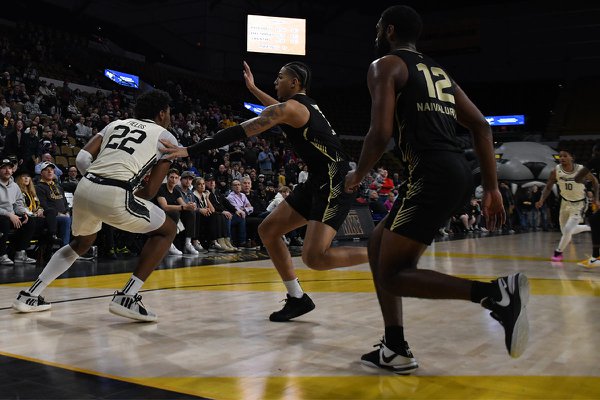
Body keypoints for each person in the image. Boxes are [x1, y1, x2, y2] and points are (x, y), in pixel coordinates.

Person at [342, 5, 529, 374]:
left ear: (390, 30)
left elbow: (379, 134)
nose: (377, 33)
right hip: (454, 169)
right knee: (378, 244)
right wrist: (490, 187)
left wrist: (358, 173)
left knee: (395, 272)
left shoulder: (385, 65)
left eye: (379, 27)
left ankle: (495, 294)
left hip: (431, 172)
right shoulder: (439, 72)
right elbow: (482, 127)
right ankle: (394, 347)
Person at [161, 60, 369, 322]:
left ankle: (381, 256)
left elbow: (240, 131)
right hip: (319, 178)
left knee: (315, 257)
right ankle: (297, 298)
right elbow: (277, 109)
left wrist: (190, 150)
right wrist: (253, 89)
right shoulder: (303, 105)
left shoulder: (292, 108)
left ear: (294, 83)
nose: (276, 81)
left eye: (280, 77)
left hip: (334, 179)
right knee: (268, 230)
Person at [13, 89, 178, 321]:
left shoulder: (115, 124)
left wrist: (97, 183)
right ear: (162, 113)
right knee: (168, 229)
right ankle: (127, 296)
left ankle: (30, 295)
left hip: (85, 186)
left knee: (81, 242)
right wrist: (120, 192)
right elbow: (150, 192)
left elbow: (81, 159)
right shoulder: (167, 137)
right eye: (169, 112)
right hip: (116, 192)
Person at [535, 149, 592, 261]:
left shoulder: (581, 169)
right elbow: (548, 187)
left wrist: (596, 198)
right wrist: (541, 200)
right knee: (565, 231)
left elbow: (594, 181)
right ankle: (591, 227)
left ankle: (558, 253)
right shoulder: (556, 171)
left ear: (572, 158)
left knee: (568, 230)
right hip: (565, 203)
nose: (562, 158)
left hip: (579, 203)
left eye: (565, 156)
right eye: (560, 156)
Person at [574, 143, 600, 268]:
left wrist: (586, 182)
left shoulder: (595, 160)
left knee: (594, 220)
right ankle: (596, 256)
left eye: (593, 152)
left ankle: (596, 257)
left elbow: (577, 178)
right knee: (595, 220)